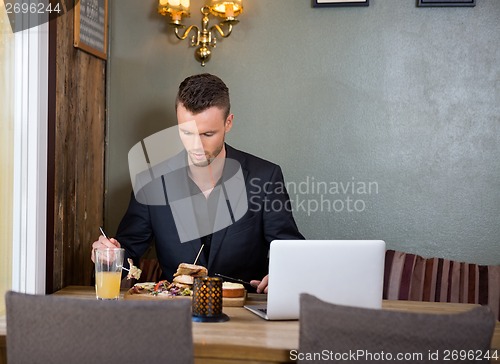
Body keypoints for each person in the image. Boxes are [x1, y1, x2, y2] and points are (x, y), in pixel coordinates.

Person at [91, 73, 304, 293]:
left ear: (228, 122)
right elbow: (127, 261)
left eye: (207, 134)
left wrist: (283, 275)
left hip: (244, 311)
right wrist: (109, 258)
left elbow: (292, 255)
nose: (196, 146)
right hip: (175, 312)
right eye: (186, 132)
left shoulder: (266, 176)